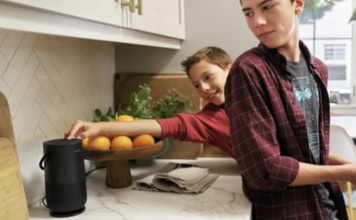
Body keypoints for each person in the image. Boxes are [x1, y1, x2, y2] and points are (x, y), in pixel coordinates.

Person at [224, 0, 353, 219]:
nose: (258, 22)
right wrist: (345, 172)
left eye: (267, 7)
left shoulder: (318, 69)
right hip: (287, 212)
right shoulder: (248, 70)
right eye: (248, 13)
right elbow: (264, 171)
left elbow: (309, 151)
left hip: (328, 207)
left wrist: (350, 166)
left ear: (298, 4)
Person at [65, 46, 234, 158]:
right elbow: (161, 125)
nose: (203, 88)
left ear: (230, 70)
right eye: (196, 85)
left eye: (208, 77)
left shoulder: (257, 95)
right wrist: (100, 127)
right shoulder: (210, 121)